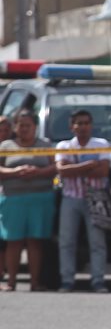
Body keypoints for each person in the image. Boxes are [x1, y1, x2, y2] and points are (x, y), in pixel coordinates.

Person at [0, 110, 58, 291]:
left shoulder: (45, 144)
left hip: (40, 199)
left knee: (35, 241)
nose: (24, 129)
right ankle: (11, 282)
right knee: (13, 240)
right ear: (15, 127)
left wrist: (38, 172)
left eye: (28, 125)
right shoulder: (6, 145)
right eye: (20, 125)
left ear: (35, 127)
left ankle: (35, 282)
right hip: (13, 199)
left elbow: (56, 166)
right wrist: (16, 172)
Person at [55, 109, 111, 293]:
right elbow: (62, 171)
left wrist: (74, 169)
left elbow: (103, 171)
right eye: (79, 123)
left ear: (91, 125)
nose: (83, 127)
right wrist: (88, 166)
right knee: (66, 241)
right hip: (71, 197)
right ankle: (67, 280)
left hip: (95, 198)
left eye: (86, 123)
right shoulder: (64, 146)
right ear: (72, 127)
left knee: (97, 242)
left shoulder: (101, 144)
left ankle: (98, 280)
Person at [0, 116, 12, 287]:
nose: (3, 133)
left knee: (4, 237)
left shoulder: (13, 147)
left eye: (6, 130)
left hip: (8, 196)